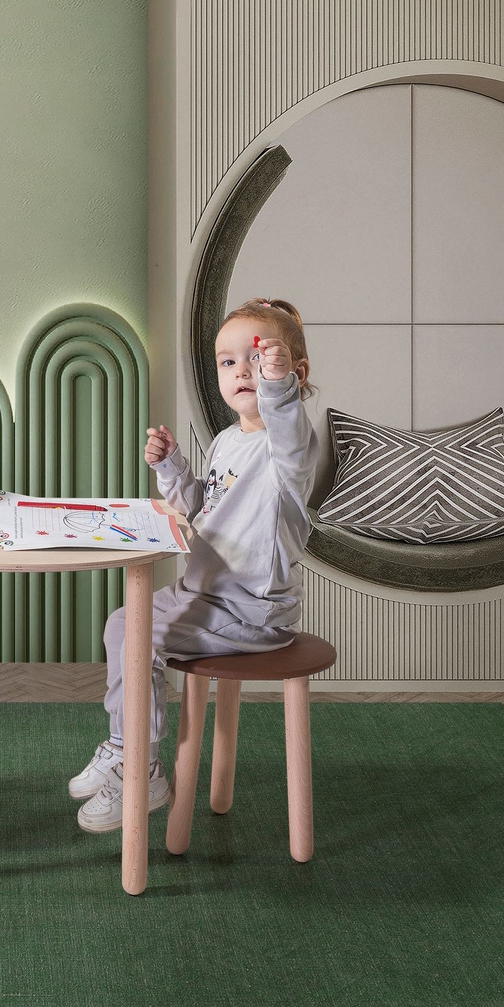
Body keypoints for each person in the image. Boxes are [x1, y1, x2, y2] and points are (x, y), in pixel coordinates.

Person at [70, 297, 316, 833]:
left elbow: (287, 425)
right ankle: (123, 745)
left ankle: (140, 769)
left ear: (293, 375)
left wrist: (278, 388)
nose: (242, 370)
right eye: (228, 362)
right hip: (201, 592)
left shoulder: (289, 449)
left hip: (249, 611)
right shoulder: (227, 441)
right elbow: (202, 507)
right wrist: (172, 467)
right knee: (122, 623)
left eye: (258, 358)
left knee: (142, 639)